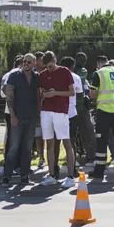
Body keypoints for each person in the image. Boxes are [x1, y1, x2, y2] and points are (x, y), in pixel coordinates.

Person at [37, 51, 76, 187]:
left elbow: (72, 92)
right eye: (47, 67)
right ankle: (52, 175)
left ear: (55, 61)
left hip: (61, 111)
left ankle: (70, 177)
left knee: (66, 142)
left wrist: (55, 93)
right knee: (49, 143)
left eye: (51, 66)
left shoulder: (65, 71)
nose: (50, 69)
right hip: (46, 111)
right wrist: (44, 95)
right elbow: (40, 93)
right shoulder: (42, 75)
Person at [89, 56, 114, 179]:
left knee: (101, 141)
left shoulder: (98, 73)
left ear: (99, 64)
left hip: (104, 111)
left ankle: (99, 171)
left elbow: (93, 94)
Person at [3, 53, 40, 185]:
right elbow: (9, 97)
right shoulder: (14, 76)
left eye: (29, 62)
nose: (26, 64)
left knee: (27, 148)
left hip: (31, 117)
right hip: (17, 117)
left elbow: (38, 95)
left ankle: (24, 175)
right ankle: (7, 176)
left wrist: (38, 115)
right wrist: (12, 116)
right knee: (14, 147)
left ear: (34, 63)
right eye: (24, 61)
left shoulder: (37, 77)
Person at [60, 56, 83, 177]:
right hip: (71, 112)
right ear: (72, 66)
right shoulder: (76, 77)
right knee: (71, 141)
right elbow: (79, 92)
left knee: (55, 142)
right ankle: (73, 168)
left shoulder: (57, 76)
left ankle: (54, 169)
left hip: (58, 112)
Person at [73, 52, 96, 169]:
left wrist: (87, 95)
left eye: (84, 60)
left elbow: (85, 85)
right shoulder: (71, 71)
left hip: (82, 106)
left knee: (88, 131)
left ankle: (91, 156)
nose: (82, 62)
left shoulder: (84, 71)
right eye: (80, 59)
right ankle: (73, 158)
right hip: (72, 106)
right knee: (71, 134)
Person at [1, 56, 23, 168]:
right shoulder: (17, 74)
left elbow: (2, 93)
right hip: (16, 110)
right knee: (16, 139)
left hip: (8, 110)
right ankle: (15, 165)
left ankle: (9, 163)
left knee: (10, 137)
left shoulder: (6, 75)